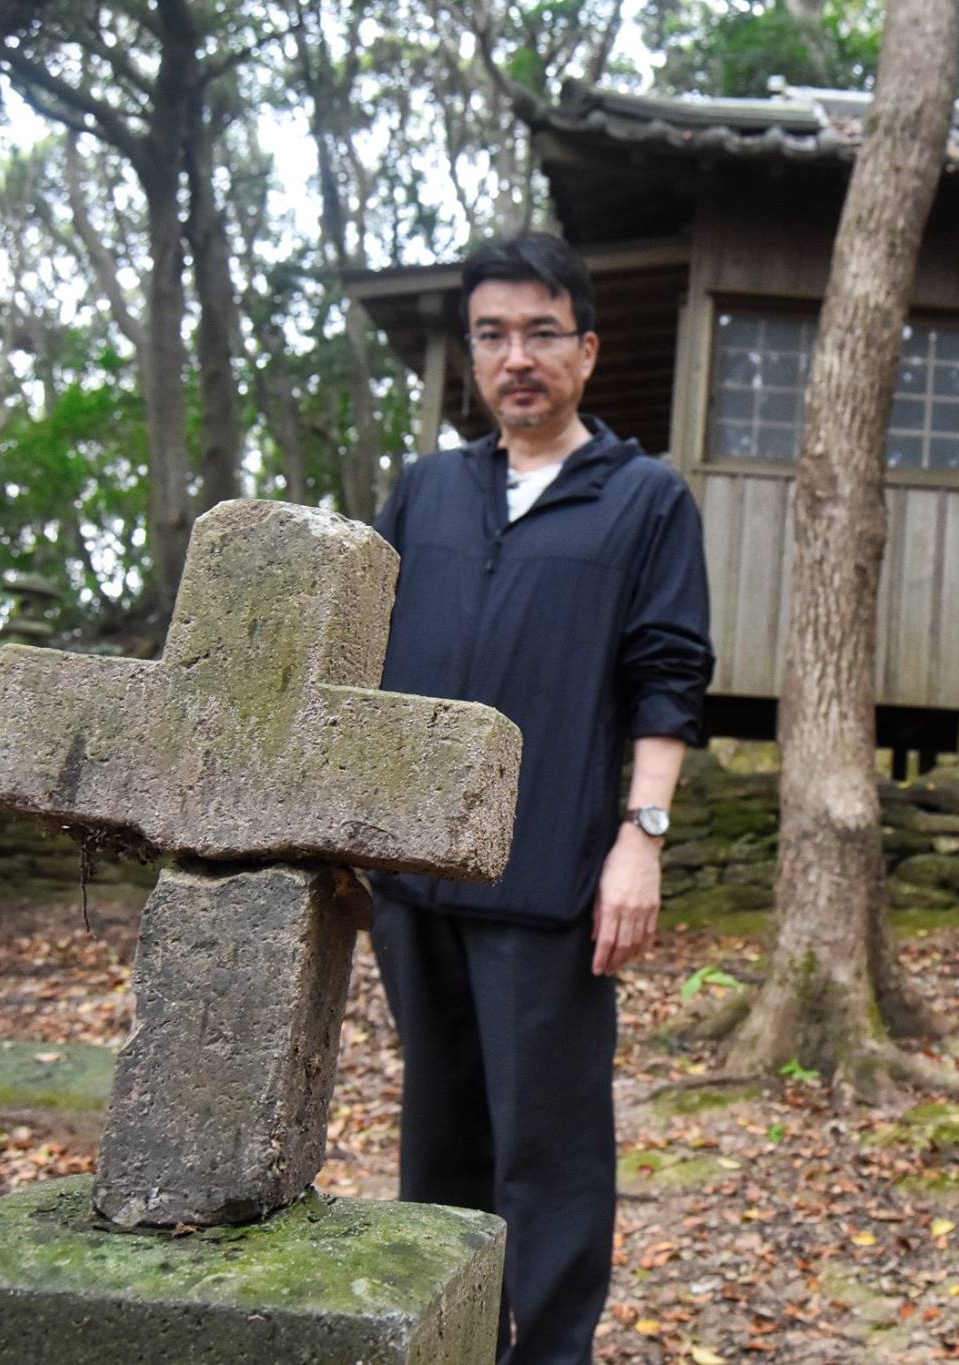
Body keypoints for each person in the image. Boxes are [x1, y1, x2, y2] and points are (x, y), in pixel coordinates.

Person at [367, 231, 714, 1364]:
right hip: (411, 877)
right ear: (473, 354)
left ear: (586, 349)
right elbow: (361, 651)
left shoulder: (644, 500)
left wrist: (640, 838)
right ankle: (450, 1342)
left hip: (549, 881)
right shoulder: (426, 492)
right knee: (438, 1147)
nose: (515, 357)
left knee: (549, 1154)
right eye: (492, 335)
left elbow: (667, 676)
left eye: (540, 332)